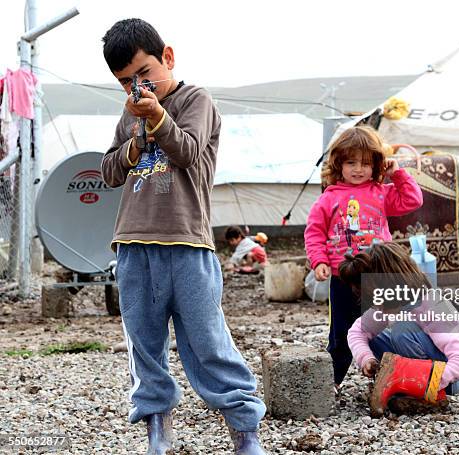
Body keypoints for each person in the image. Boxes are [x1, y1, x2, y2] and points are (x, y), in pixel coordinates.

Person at [100, 19, 266, 455]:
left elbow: (188, 151)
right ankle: (157, 427)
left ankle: (245, 428)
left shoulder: (196, 99)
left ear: (167, 58)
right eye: (124, 82)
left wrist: (157, 115)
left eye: (143, 73)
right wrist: (134, 142)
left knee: (209, 342)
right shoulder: (129, 113)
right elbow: (109, 171)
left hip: (188, 242)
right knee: (144, 345)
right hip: (134, 242)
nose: (136, 87)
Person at [304, 125, 423, 386]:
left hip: (378, 276)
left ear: (377, 165)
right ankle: (332, 383)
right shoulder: (327, 199)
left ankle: (387, 376)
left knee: (385, 327)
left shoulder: (381, 192)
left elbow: (413, 201)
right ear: (338, 164)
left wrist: (397, 174)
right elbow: (314, 233)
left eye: (366, 163)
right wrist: (320, 260)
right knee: (341, 333)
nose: (358, 169)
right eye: (351, 162)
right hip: (342, 277)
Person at [340, 243, 459, 415]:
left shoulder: (431, 306)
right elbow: (357, 332)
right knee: (375, 338)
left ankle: (420, 391)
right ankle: (401, 383)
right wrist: (366, 358)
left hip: (452, 376)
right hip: (428, 361)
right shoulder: (388, 304)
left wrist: (430, 381)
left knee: (401, 330)